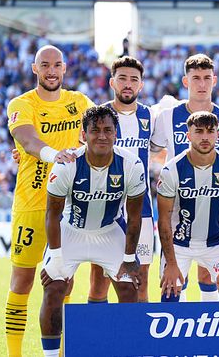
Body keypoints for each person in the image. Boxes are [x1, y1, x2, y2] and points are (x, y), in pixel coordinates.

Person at [4, 45, 94, 356]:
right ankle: (14, 354)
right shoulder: (21, 103)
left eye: (57, 64)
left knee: (63, 284)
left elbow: (104, 129)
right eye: (45, 65)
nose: (51, 70)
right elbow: (28, 141)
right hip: (32, 203)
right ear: (34, 68)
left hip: (70, 206)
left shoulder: (79, 102)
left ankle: (62, 352)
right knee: (23, 281)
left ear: (65, 68)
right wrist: (56, 156)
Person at [39, 105, 146, 356]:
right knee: (53, 288)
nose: (102, 136)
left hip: (109, 231)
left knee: (131, 288)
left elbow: (134, 216)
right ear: (83, 134)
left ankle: (125, 351)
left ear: (116, 134)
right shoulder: (67, 165)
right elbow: (52, 214)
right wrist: (55, 256)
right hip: (71, 231)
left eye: (108, 130)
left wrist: (129, 259)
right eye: (94, 130)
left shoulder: (131, 164)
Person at [151, 53, 219, 301]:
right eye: (195, 78)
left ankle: (210, 334)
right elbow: (154, 153)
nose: (201, 84)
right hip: (178, 207)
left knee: (210, 276)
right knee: (176, 279)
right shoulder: (167, 117)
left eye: (206, 78)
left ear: (214, 81)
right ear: (185, 81)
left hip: (213, 210)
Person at [157, 111, 219, 302]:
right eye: (198, 132)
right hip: (178, 244)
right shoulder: (171, 170)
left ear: (217, 134)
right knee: (169, 298)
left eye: (210, 131)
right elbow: (163, 221)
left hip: (216, 242)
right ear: (188, 135)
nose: (205, 137)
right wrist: (171, 264)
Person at [89, 56, 157, 303]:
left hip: (143, 211)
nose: (128, 84)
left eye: (134, 80)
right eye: (122, 79)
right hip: (105, 210)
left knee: (141, 279)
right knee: (100, 280)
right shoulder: (98, 117)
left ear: (141, 85)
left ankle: (138, 341)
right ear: (112, 82)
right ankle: (101, 339)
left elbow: (163, 148)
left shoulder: (151, 117)